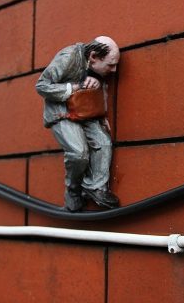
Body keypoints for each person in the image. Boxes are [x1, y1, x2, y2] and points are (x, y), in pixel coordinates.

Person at [36, 36, 121, 212]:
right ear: (93, 56)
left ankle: (96, 187)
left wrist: (96, 81)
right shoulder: (68, 57)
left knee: (103, 142)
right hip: (61, 113)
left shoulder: (93, 63)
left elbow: (92, 76)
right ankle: (73, 190)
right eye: (110, 65)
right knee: (78, 152)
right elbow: (42, 86)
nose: (114, 70)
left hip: (85, 111)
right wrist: (72, 88)